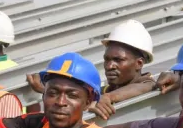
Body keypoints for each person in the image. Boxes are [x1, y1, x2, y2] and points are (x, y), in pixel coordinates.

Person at [26, 20, 155, 119]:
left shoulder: (151, 87)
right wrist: (47, 88)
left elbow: (147, 85)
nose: (109, 66)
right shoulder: (103, 91)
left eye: (118, 60)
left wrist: (109, 97)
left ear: (139, 63)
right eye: (107, 59)